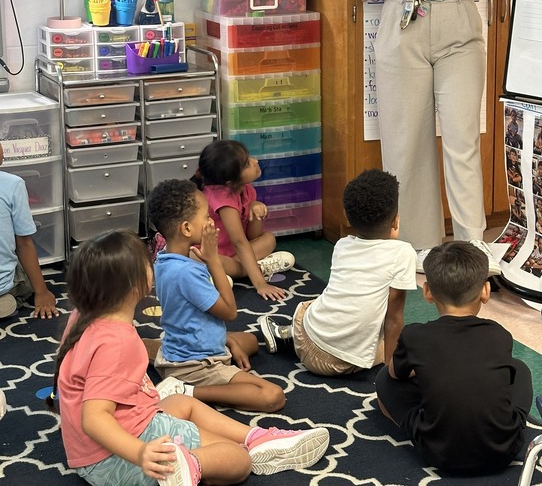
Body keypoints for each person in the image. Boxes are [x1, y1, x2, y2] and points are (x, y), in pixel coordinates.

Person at [355, 0, 525, 266]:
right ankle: (417, 248)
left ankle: (471, 250)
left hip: (458, 25)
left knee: (461, 140)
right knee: (405, 143)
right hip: (401, 23)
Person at [49, 229, 330, 486]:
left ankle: (256, 438)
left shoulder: (83, 317)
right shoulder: (118, 342)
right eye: (148, 262)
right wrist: (141, 453)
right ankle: (189, 466)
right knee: (236, 460)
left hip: (105, 446)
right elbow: (94, 418)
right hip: (118, 456)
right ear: (136, 284)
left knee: (182, 401)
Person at [376, 241, 532, 475]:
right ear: (485, 291)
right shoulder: (499, 334)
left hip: (439, 454)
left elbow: (394, 375)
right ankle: (514, 423)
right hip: (504, 451)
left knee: (383, 380)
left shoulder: (414, 335)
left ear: (427, 292)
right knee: (520, 368)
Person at [259, 169, 417, 375]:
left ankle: (286, 334)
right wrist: (392, 373)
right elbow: (394, 318)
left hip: (306, 340)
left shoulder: (342, 245)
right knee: (400, 341)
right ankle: (289, 336)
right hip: (342, 364)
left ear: (347, 218)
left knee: (316, 305)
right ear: (396, 220)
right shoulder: (403, 253)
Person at [147, 178, 286, 412]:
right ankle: (186, 390)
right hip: (196, 365)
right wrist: (213, 261)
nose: (211, 221)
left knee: (249, 342)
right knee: (273, 396)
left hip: (180, 349)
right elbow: (230, 311)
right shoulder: (187, 272)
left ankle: (181, 361)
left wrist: (229, 340)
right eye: (206, 216)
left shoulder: (165, 258)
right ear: (187, 229)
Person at [194, 139, 295, 301]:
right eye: (247, 164)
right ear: (230, 182)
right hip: (211, 252)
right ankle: (254, 269)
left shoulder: (245, 189)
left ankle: (231, 273)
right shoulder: (223, 198)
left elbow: (252, 237)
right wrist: (261, 284)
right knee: (197, 257)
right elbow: (239, 242)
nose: (256, 161)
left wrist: (254, 212)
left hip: (233, 253)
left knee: (269, 238)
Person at [0, 142, 59, 320]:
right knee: (20, 276)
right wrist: (41, 292)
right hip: (5, 282)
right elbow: (24, 244)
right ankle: (7, 301)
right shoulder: (13, 185)